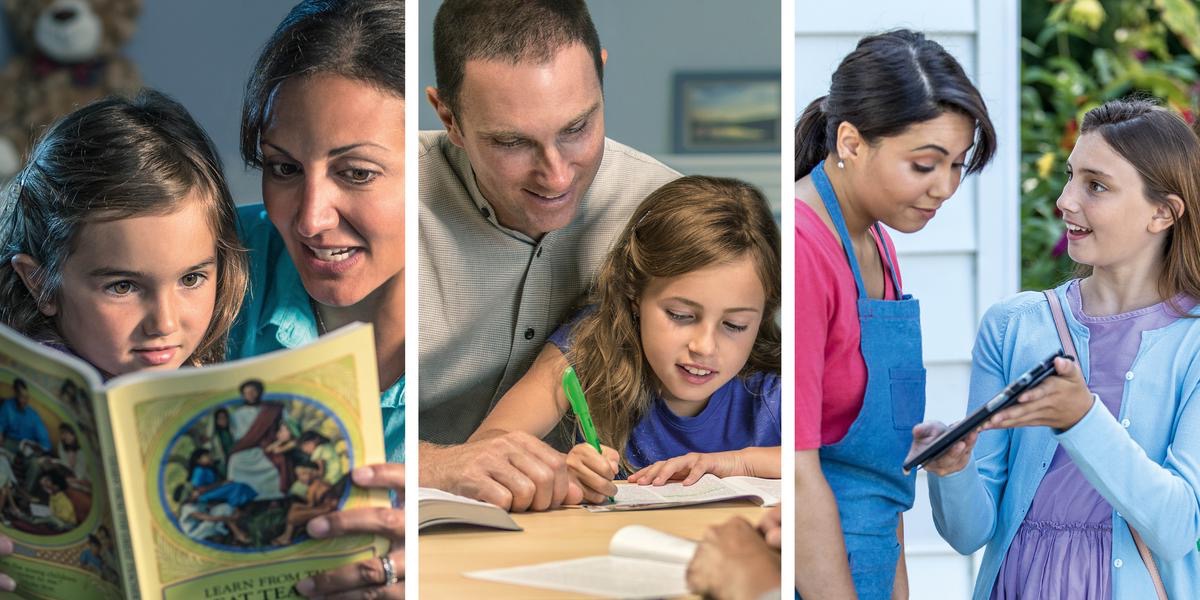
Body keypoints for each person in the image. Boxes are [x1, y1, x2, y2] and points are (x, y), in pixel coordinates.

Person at [917, 99, 1200, 599]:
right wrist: (953, 470)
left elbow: (1176, 527)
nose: (1066, 201)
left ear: (1163, 212)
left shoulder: (1192, 342)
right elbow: (968, 533)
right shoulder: (1012, 326)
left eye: (1096, 185)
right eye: (1070, 177)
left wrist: (1081, 417)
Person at [418, 0, 679, 513]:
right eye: (512, 142)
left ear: (601, 74)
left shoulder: (664, 211)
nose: (557, 176)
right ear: (448, 115)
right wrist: (435, 465)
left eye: (577, 128)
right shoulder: (387, 205)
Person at [0, 89, 247, 593]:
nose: (164, 321)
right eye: (123, 286)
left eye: (192, 278)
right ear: (37, 282)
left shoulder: (208, 373)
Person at [794, 29, 996, 598]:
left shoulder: (875, 237)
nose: (945, 188)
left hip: (873, 563)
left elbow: (880, 479)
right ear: (852, 142)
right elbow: (801, 470)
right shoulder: (805, 246)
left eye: (957, 165)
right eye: (925, 165)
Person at [228, 1, 405, 596]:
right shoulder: (211, 264)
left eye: (356, 173)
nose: (308, 219)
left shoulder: (492, 296)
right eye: (282, 168)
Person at [471, 176, 781, 503]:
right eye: (680, 315)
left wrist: (739, 463)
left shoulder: (775, 390)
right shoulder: (590, 346)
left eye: (734, 325)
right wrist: (559, 469)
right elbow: (486, 445)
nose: (704, 346)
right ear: (634, 294)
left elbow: (828, 457)